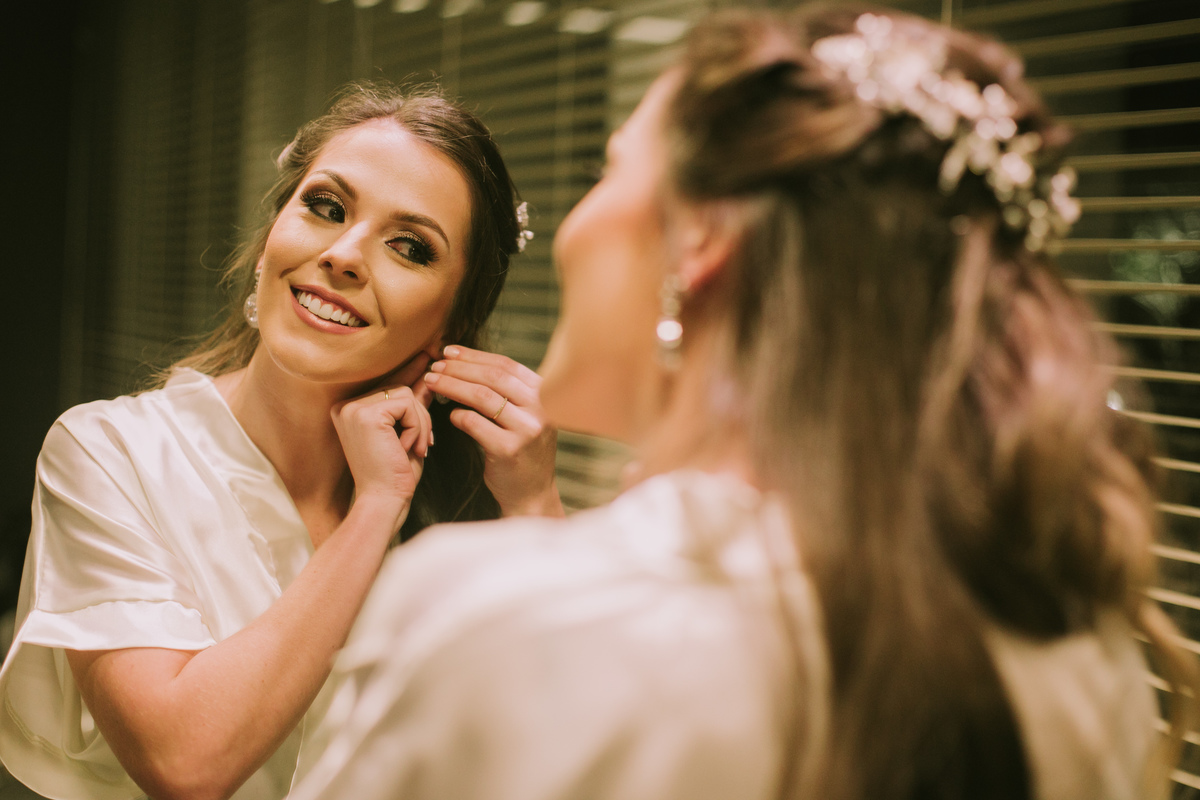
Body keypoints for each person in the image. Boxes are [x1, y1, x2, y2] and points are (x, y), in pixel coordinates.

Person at [287, 6, 1199, 800]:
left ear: (700, 246)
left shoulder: (487, 614)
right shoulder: (1084, 660)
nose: (572, 227)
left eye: (612, 170)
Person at [0, 82, 562, 800]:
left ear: (450, 323)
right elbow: (184, 762)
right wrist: (375, 508)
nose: (345, 254)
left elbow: (573, 751)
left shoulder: (466, 516)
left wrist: (536, 505)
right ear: (272, 237)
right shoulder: (110, 451)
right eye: (326, 207)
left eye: (410, 247)